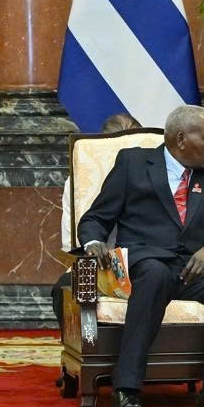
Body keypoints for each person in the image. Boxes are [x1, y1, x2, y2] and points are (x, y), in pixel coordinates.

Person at [78, 105, 204, 407]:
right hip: (149, 265)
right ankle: (127, 391)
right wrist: (93, 245)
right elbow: (96, 219)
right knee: (155, 273)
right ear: (180, 138)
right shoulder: (133, 164)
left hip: (197, 271)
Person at [51, 113, 141, 324]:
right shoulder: (81, 180)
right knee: (69, 286)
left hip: (145, 262)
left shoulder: (155, 176)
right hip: (100, 266)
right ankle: (90, 351)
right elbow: (70, 244)